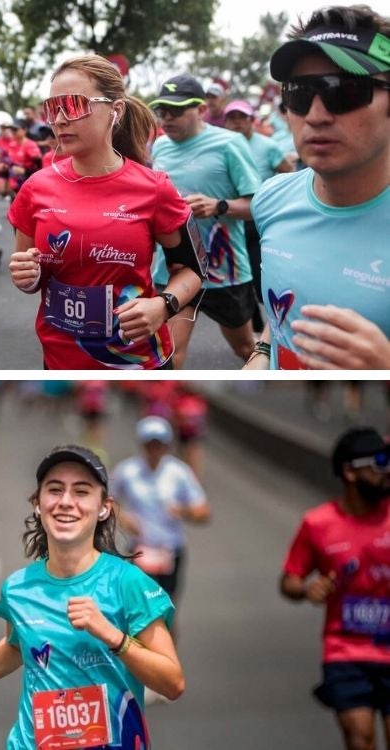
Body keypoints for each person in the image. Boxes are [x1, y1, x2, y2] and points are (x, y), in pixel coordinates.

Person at [0, 445, 185, 748]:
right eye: (54, 490)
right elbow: (18, 645)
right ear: (37, 503)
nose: (66, 502)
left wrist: (113, 636)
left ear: (104, 507)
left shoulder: (126, 582)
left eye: (81, 492)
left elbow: (172, 683)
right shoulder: (18, 588)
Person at [8, 55, 205, 370]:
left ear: (116, 110)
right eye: (51, 108)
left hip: (138, 361)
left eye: (73, 105)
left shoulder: (153, 187)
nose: (59, 119)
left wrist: (162, 306)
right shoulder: (35, 188)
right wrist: (26, 277)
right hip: (60, 360)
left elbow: (194, 269)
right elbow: (29, 275)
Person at [246, 4, 390, 370]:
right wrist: (263, 353)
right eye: (298, 93)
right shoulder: (271, 199)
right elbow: (284, 311)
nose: (316, 115)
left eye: (344, 91)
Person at [280, 427, 389, 750]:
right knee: (360, 738)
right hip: (345, 651)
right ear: (349, 471)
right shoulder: (318, 523)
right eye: (380, 462)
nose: (387, 472)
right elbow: (289, 580)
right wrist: (306, 590)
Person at [150, 74, 262, 366]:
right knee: (170, 356)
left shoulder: (230, 143)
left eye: (176, 111)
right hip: (175, 271)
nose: (167, 118)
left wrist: (218, 206)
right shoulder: (159, 147)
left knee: (245, 349)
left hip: (225, 272)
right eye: (162, 111)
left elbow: (258, 205)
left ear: (201, 110)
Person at [112, 416, 209, 611]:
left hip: (170, 550)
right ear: (142, 444)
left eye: (159, 444)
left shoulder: (179, 472)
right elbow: (107, 500)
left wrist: (183, 511)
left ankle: (169, 640)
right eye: (150, 444)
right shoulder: (127, 470)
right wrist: (123, 517)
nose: (154, 449)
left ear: (167, 445)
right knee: (140, 611)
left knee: (167, 610)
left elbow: (203, 512)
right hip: (139, 550)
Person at [222, 99, 296, 334]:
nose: (236, 123)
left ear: (252, 121)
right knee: (239, 278)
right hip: (230, 221)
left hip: (258, 221)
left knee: (258, 275)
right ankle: (255, 328)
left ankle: (275, 324)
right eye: (231, 118)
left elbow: (289, 175)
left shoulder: (267, 146)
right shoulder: (223, 145)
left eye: (241, 118)